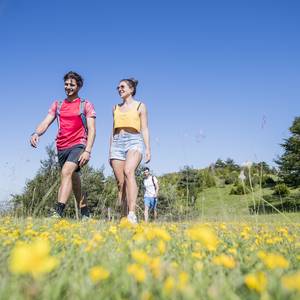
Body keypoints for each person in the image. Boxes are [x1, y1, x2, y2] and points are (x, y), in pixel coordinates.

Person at [30, 71, 96, 219]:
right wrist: (36, 133)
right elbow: (46, 121)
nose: (68, 87)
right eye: (66, 84)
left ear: (78, 86)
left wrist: (88, 150)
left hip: (79, 144)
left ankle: (58, 212)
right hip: (61, 147)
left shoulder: (86, 105)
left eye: (71, 84)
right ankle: (85, 211)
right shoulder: (58, 105)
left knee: (66, 172)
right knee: (73, 178)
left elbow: (92, 129)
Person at [109, 78, 150, 224]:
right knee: (121, 184)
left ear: (131, 89)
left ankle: (132, 214)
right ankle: (123, 217)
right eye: (118, 87)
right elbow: (113, 131)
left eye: (122, 86)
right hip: (117, 144)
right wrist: (110, 151)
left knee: (128, 171)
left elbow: (144, 128)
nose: (119, 89)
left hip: (134, 141)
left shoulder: (140, 106)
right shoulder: (115, 108)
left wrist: (148, 149)